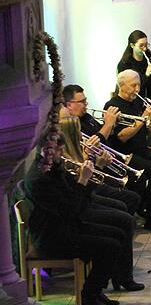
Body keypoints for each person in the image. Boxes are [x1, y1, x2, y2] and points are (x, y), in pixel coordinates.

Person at [23, 123, 127, 305]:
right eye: (57, 150)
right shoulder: (39, 179)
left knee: (117, 234)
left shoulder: (53, 167)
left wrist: (96, 169)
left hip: (67, 226)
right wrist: (83, 180)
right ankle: (89, 296)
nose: (61, 153)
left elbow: (80, 198)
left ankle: (96, 290)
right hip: (53, 238)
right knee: (110, 246)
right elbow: (70, 209)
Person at [105, 69, 151, 232]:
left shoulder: (138, 102)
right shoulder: (113, 106)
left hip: (141, 149)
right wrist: (143, 118)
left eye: (138, 85)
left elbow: (150, 132)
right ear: (121, 85)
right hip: (124, 154)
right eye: (133, 85)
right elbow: (122, 137)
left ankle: (144, 203)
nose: (137, 89)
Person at [61, 84, 141, 215]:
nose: (86, 104)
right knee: (130, 193)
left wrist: (112, 126)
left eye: (85, 100)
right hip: (89, 176)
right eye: (82, 101)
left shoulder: (87, 117)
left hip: (103, 163)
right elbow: (94, 144)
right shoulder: (70, 125)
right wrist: (108, 125)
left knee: (137, 183)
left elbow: (105, 141)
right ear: (69, 105)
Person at [116, 30, 151, 101]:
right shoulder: (124, 64)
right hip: (135, 100)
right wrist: (146, 75)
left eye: (146, 45)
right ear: (132, 45)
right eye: (141, 46)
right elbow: (128, 89)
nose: (145, 48)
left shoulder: (150, 58)